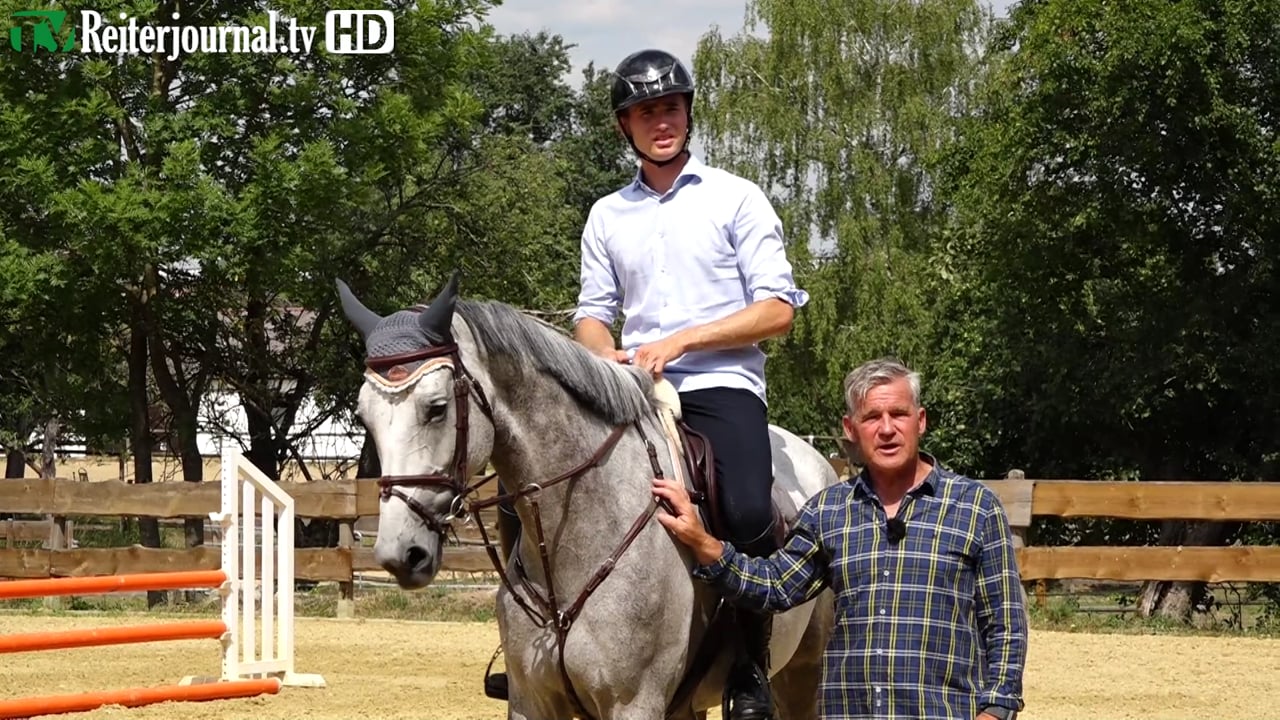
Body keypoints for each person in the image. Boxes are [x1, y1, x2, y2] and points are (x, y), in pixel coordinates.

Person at [484, 48, 810, 719]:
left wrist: (682, 341)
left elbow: (779, 310)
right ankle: (528, 647)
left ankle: (749, 663)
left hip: (720, 383)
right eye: (643, 112)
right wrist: (604, 358)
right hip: (629, 386)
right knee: (522, 493)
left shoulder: (736, 197)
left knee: (747, 506)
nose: (659, 121)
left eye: (668, 107)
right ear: (622, 127)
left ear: (687, 113)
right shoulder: (608, 215)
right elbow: (593, 314)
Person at [652, 357, 1029, 720]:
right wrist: (704, 543)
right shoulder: (828, 513)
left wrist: (996, 708)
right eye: (871, 418)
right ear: (850, 429)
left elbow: (1006, 623)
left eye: (898, 414)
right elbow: (775, 586)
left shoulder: (976, 508)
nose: (886, 429)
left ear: (921, 420)